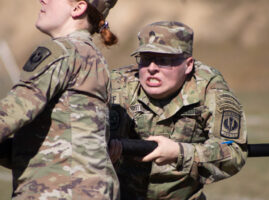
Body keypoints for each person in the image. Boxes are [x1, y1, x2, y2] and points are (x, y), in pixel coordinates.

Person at [109, 21, 248, 200]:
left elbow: (233, 151)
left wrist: (179, 153)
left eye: (163, 60)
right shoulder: (117, 85)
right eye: (145, 59)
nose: (152, 68)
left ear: (188, 64)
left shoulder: (209, 88)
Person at [0, 0, 120, 199]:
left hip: (58, 191)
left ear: (78, 8)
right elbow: (55, 146)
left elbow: (16, 109)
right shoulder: (92, 58)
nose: (43, 0)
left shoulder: (63, 50)